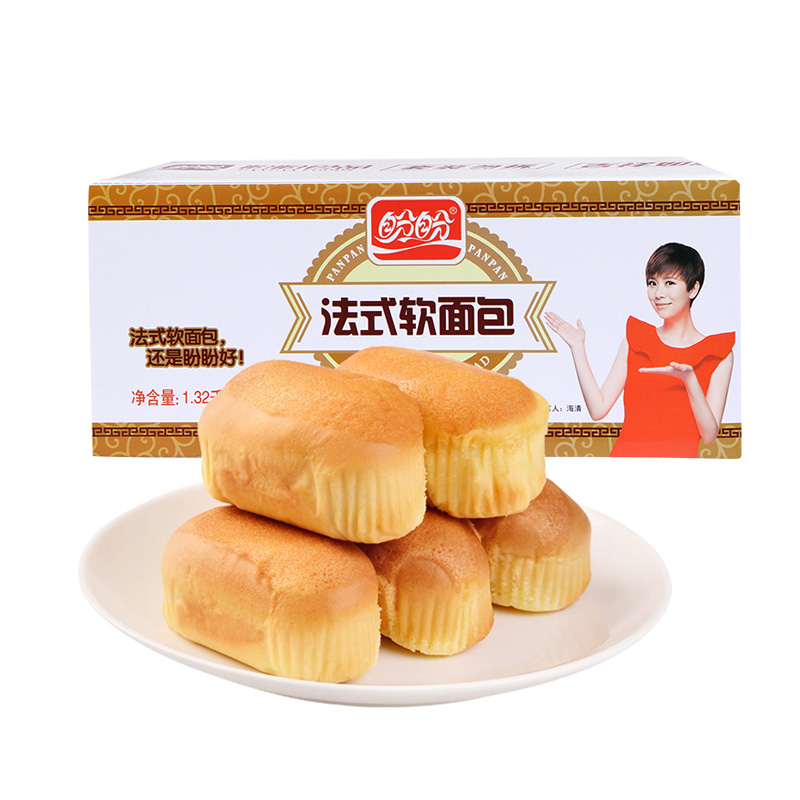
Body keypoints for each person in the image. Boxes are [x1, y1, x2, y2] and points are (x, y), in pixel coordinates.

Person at [544, 242, 735, 457]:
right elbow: (598, 409)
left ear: (693, 289)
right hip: (625, 466)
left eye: (669, 283)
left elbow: (709, 436)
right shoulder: (637, 340)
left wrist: (690, 380)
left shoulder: (717, 353)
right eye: (652, 283)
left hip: (678, 471)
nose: (658, 293)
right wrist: (577, 347)